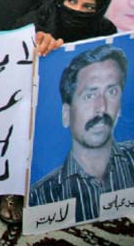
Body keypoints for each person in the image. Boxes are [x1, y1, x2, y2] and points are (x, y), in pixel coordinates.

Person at [29, 44, 133, 223]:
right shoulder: (41, 196)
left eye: (112, 91)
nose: (101, 107)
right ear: (66, 114)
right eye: (89, 96)